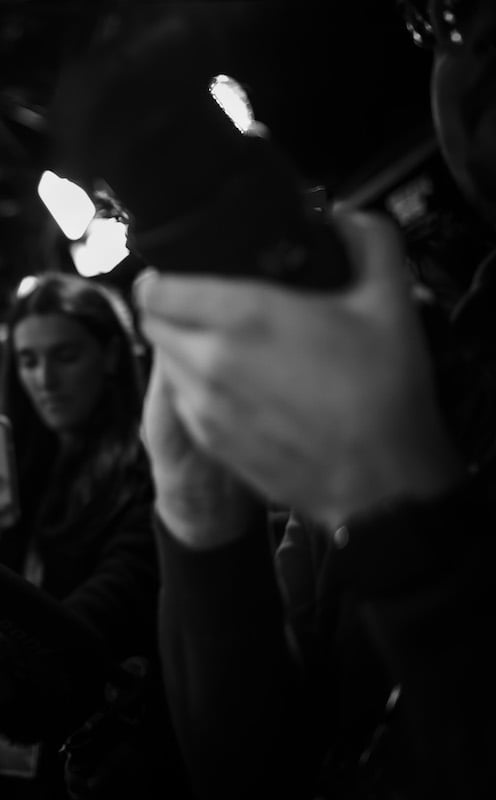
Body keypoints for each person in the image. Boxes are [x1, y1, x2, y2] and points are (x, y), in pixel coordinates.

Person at [131, 2, 496, 797]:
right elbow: (258, 771)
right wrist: (201, 511)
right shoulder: (450, 376)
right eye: (446, 18)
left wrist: (398, 503)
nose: (473, 48)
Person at [0, 272, 177, 799]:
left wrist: (5, 666)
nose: (44, 379)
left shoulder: (149, 467)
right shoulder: (18, 467)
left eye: (65, 356)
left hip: (91, 755)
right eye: (29, 360)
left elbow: (117, 593)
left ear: (110, 356)